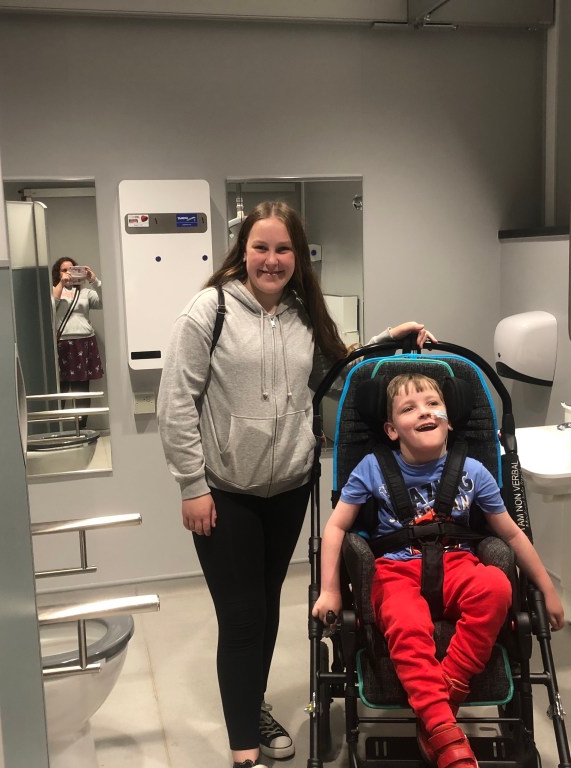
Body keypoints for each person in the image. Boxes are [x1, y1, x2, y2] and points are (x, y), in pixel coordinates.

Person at [158, 200, 435, 768]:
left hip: (288, 489)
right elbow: (176, 402)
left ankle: (251, 706)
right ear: (242, 251)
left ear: (297, 256)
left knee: (265, 609)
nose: (272, 259)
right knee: (241, 618)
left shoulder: (303, 313)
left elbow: (341, 371)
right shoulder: (208, 310)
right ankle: (244, 754)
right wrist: (191, 485)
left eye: (283, 249)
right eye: (260, 247)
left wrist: (389, 340)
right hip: (225, 492)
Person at [311, 373, 564, 768]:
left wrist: (546, 590)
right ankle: (445, 733)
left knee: (497, 586)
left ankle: (443, 702)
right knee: (405, 619)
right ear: (392, 430)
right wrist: (330, 589)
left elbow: (512, 535)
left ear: (449, 420)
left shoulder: (474, 471)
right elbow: (336, 527)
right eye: (409, 408)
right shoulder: (372, 468)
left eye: (433, 404)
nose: (424, 412)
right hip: (395, 570)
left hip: (458, 564)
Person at [51, 256, 103, 429]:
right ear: (58, 273)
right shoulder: (54, 290)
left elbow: (105, 302)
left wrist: (94, 280)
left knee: (82, 388)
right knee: (61, 387)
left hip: (85, 342)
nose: (68, 273)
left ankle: (81, 427)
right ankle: (58, 428)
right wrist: (61, 284)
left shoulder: (85, 292)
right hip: (63, 344)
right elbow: (50, 306)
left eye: (71, 269)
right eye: (64, 270)